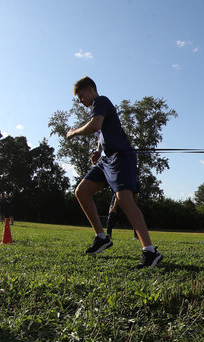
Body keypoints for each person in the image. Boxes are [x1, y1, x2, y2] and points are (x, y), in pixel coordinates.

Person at [66, 76, 162, 268]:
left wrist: (74, 131)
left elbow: (95, 125)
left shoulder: (100, 101)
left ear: (91, 90)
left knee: (125, 201)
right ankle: (102, 237)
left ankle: (150, 252)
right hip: (107, 160)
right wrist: (98, 151)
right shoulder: (98, 107)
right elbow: (102, 132)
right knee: (82, 192)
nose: (81, 102)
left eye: (81, 96)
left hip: (121, 158)